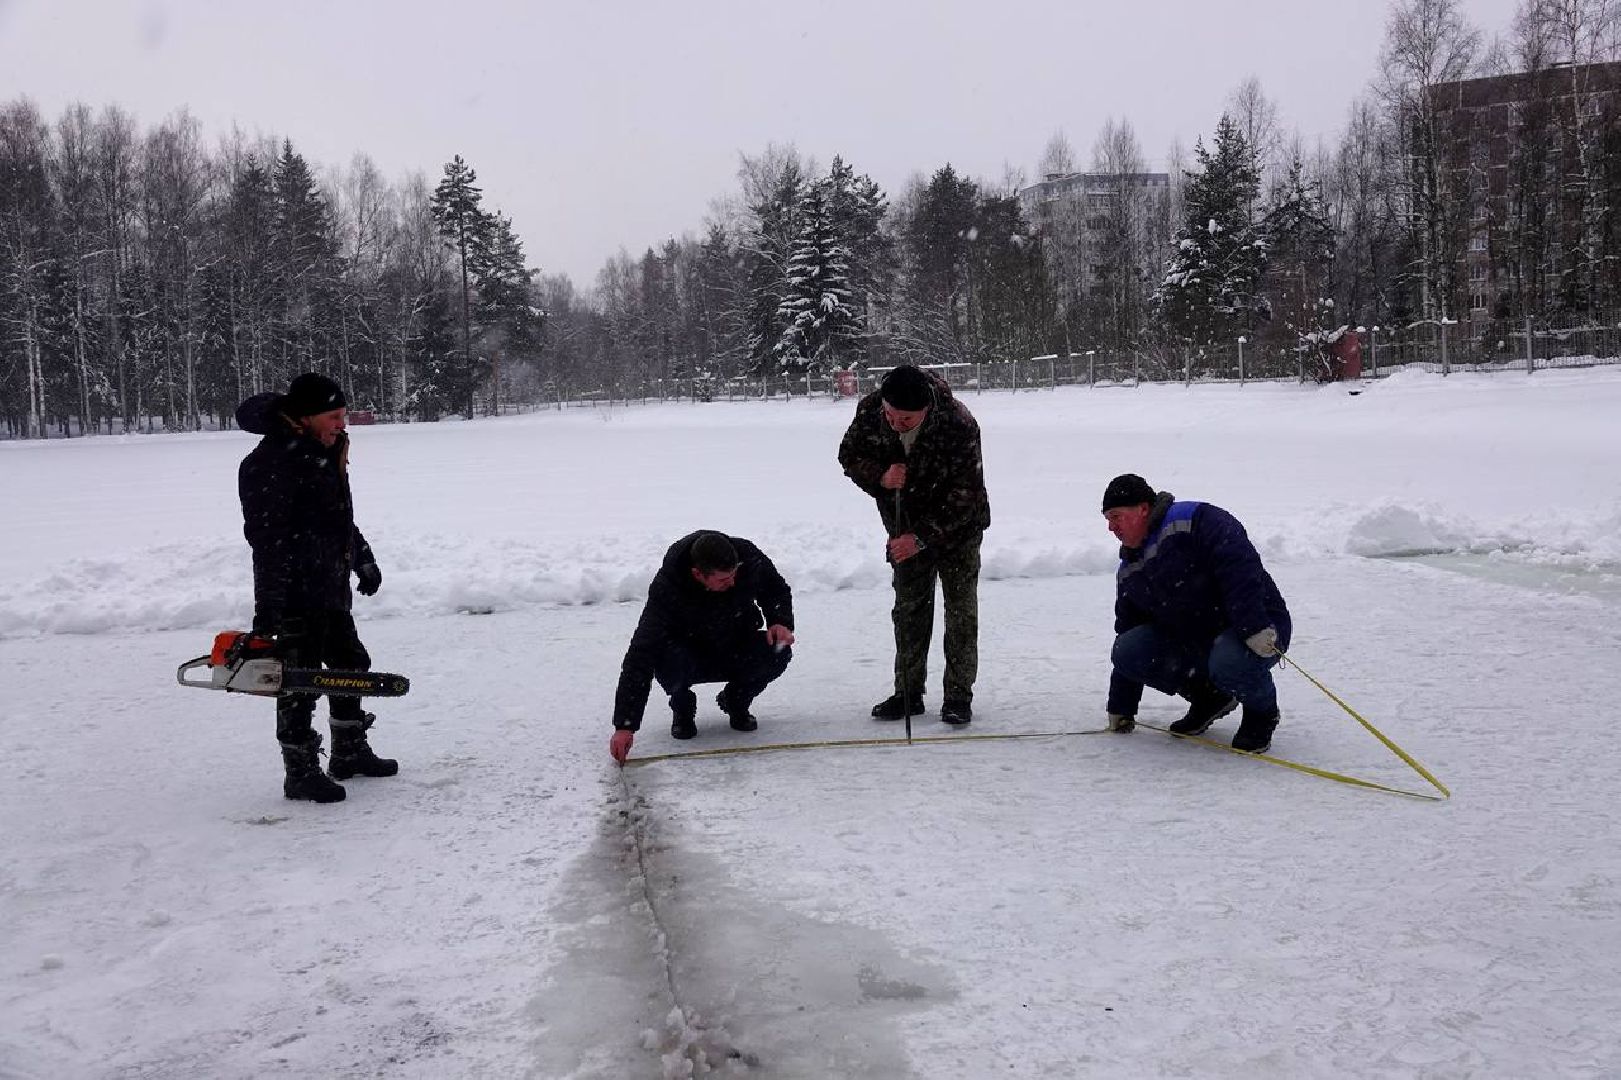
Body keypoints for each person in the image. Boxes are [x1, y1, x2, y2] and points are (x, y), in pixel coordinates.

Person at [237, 372, 395, 803]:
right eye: (334, 416)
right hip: (294, 593)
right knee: (299, 680)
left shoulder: (321, 451)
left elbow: (336, 518)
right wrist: (268, 611)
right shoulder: (269, 464)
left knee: (350, 666)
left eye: (344, 415)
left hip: (330, 586)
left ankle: (348, 750)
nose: (342, 424)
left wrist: (362, 556)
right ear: (304, 417)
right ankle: (300, 769)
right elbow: (268, 544)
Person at [838, 365, 990, 727]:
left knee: (961, 613)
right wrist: (879, 476)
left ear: (926, 410)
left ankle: (957, 696)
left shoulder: (959, 424)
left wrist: (920, 538)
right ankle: (908, 693)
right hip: (901, 527)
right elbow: (848, 455)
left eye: (905, 419)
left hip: (957, 531)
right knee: (909, 611)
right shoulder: (871, 410)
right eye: (890, 415)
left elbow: (965, 495)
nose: (894, 423)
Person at [1100, 473, 1291, 754]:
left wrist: (1253, 626)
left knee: (1229, 660)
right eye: (1107, 519)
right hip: (1199, 642)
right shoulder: (1130, 569)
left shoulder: (1191, 519)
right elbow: (1128, 632)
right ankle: (1210, 697)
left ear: (1142, 508)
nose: (1110, 527)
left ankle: (1261, 713)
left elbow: (1238, 565)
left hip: (1258, 627)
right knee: (1128, 649)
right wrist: (1121, 706)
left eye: (1115, 516)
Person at [608, 531, 795, 763]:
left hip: (735, 644)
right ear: (698, 574)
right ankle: (682, 706)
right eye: (723, 580)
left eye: (734, 574)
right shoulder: (668, 587)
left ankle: (736, 701)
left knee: (778, 651)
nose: (733, 582)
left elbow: (775, 588)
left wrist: (779, 621)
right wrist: (625, 726)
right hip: (688, 654)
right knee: (662, 657)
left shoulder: (748, 557)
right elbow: (640, 654)